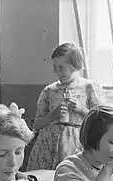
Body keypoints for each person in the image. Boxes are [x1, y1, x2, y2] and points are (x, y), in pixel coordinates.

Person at [27, 42, 105, 171]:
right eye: (55, 67)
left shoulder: (89, 88)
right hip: (47, 145)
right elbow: (37, 125)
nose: (57, 71)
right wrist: (52, 115)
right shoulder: (49, 91)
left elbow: (101, 121)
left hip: (77, 144)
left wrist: (80, 109)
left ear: (74, 66)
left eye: (61, 67)